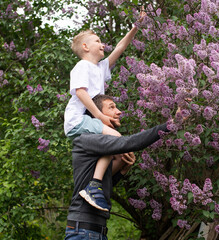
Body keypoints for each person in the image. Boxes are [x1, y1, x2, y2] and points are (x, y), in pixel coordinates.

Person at [64, 9, 146, 212]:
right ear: (85, 47)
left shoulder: (100, 68)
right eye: (98, 41)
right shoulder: (82, 66)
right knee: (116, 140)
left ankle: (101, 182)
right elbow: (81, 93)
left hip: (90, 120)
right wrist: (100, 116)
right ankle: (94, 185)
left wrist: (136, 27)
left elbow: (119, 48)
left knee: (121, 152)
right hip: (77, 119)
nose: (103, 45)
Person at [65, 94, 171, 240]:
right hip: (84, 230)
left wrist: (122, 171)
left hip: (94, 230)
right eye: (112, 107)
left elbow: (103, 185)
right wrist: (169, 125)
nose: (119, 111)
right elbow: (130, 142)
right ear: (98, 114)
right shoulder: (87, 139)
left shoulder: (103, 150)